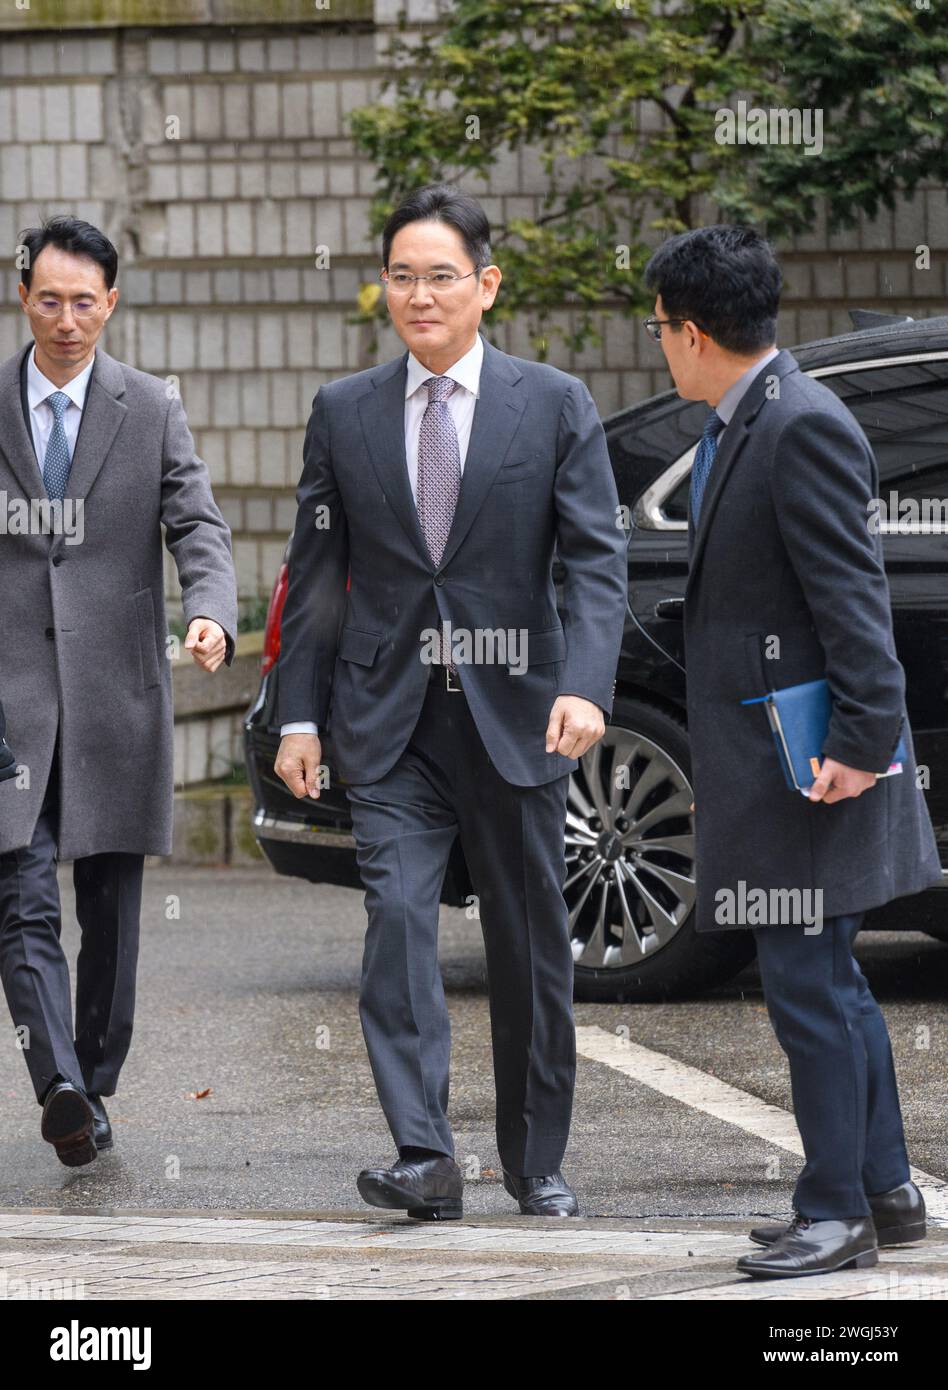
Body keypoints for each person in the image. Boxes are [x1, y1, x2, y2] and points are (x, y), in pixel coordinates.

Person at [275, 184, 627, 1218]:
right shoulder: (344, 412)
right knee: (395, 920)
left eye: (440, 276)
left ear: (486, 284)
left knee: (527, 945)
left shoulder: (553, 403)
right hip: (387, 721)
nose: (419, 295)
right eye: (401, 276)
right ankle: (425, 1153)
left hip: (516, 715)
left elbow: (595, 566)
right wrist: (298, 716)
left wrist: (585, 687)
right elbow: (316, 570)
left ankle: (535, 1160)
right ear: (382, 285)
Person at [643, 224, 941, 1278]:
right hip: (786, 756)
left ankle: (835, 1212)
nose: (659, 348)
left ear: (689, 331)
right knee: (830, 979)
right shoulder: (752, 414)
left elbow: (853, 599)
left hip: (812, 760)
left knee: (806, 982)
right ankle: (887, 1191)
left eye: (659, 328)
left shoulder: (797, 423)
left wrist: (861, 744)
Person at [0, 216, 238, 1166]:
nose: (67, 320)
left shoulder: (149, 408)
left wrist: (211, 610)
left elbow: (199, 523)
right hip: (8, 702)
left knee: (111, 910)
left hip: (113, 696)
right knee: (20, 898)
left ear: (112, 303)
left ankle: (92, 1081)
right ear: (23, 296)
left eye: (84, 302)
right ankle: (55, 1079)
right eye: (49, 299)